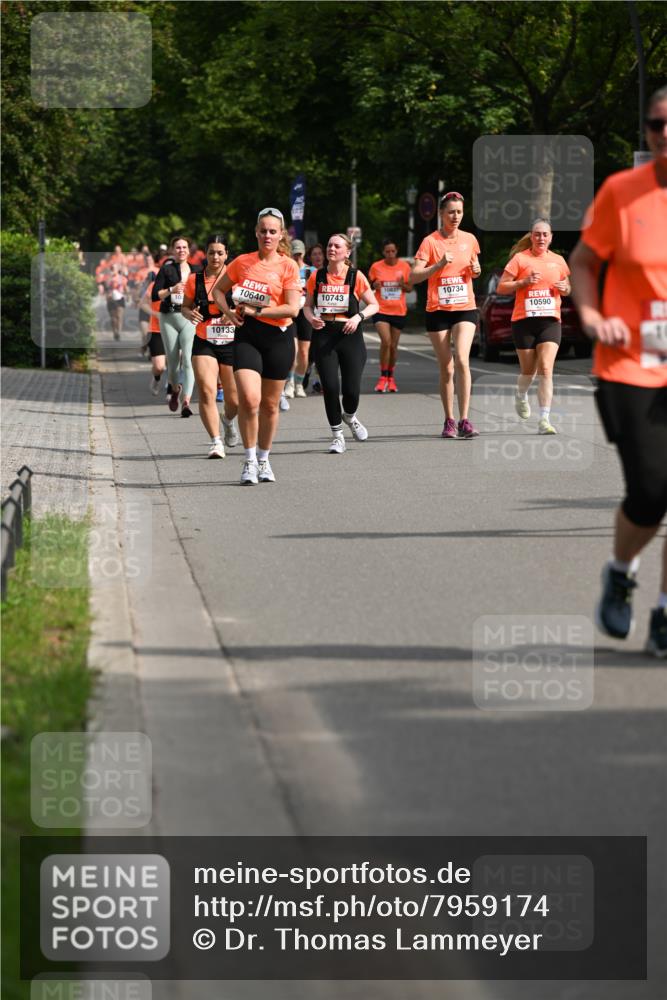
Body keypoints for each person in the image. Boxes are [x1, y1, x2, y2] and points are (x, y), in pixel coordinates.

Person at [570, 84, 667, 657]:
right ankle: (621, 569)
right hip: (630, 361)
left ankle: (663, 614)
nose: (665, 133)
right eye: (657, 124)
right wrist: (589, 313)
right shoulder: (621, 193)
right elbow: (584, 262)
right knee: (651, 489)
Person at [212, 207, 301, 485]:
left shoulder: (288, 265)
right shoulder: (242, 262)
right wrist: (229, 315)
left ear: (281, 234)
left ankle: (264, 460)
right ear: (256, 232)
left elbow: (293, 309)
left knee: (270, 406)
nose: (267, 235)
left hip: (278, 337)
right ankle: (249, 460)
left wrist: (258, 312)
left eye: (273, 231)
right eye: (263, 230)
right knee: (249, 400)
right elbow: (217, 290)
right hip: (247, 335)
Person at [411, 192, 481, 438]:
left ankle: (465, 420)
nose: (456, 216)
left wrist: (476, 270)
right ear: (441, 214)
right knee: (447, 368)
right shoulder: (430, 242)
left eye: (459, 212)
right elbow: (414, 276)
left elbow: (473, 268)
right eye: (451, 212)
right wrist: (438, 265)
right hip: (438, 310)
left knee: (462, 359)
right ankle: (449, 420)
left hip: (464, 307)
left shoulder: (470, 239)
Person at [303, 233, 379, 453]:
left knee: (351, 390)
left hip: (350, 335)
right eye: (329, 245)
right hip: (324, 334)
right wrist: (311, 318)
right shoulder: (316, 277)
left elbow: (374, 305)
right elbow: (307, 305)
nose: (331, 249)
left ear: (347, 252)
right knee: (330, 387)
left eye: (337, 246)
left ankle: (350, 416)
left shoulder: (356, 276)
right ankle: (337, 435)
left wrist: (358, 318)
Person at [497, 220, 570, 434]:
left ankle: (544, 420)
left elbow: (567, 287)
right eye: (537, 234)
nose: (541, 238)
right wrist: (523, 282)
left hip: (550, 321)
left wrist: (565, 288)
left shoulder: (558, 261)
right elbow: (502, 287)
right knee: (529, 371)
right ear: (531, 236)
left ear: (551, 237)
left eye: (545, 234)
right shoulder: (520, 259)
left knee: (546, 369)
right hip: (524, 322)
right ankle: (521, 395)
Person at [182, 235, 240, 459]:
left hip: (232, 340)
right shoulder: (194, 280)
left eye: (220, 253)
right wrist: (189, 313)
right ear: (205, 254)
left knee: (234, 400)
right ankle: (216, 442)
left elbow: (251, 304)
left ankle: (226, 420)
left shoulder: (237, 277)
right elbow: (185, 307)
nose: (215, 257)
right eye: (211, 252)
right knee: (207, 391)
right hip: (204, 339)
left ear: (227, 255)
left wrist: (235, 312)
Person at [152, 236, 199, 417]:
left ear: (189, 250)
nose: (181, 250)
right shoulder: (166, 270)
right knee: (172, 365)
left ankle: (186, 401)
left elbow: (204, 293)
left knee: (188, 360)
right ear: (173, 250)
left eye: (184, 247)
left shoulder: (197, 270)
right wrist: (172, 289)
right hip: (169, 317)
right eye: (178, 247)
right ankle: (174, 388)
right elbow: (156, 295)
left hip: (189, 318)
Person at [368, 239, 413, 392]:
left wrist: (402, 284)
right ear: (383, 252)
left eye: (392, 251)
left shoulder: (404, 267)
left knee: (393, 346)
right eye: (387, 251)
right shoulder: (376, 267)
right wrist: (374, 285)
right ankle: (382, 378)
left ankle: (390, 377)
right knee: (386, 342)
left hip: (398, 311)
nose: (390, 254)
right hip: (381, 310)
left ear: (396, 251)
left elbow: (409, 288)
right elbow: (370, 285)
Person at [283, 239, 314, 399]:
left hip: (305, 313)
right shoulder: (287, 268)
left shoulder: (311, 271)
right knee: (292, 350)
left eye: (299, 255)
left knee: (303, 352)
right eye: (294, 255)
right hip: (290, 312)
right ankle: (289, 382)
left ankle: (299, 383)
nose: (297, 258)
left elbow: (317, 291)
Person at [140, 277, 166, 393]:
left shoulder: (187, 283)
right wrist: (155, 314)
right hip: (157, 330)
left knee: (179, 360)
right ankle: (156, 379)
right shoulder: (155, 285)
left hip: (178, 330)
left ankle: (173, 388)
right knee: (159, 367)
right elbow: (143, 304)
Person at [105, 264, 128, 341]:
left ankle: (119, 332)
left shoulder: (122, 278)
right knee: (113, 318)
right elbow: (106, 288)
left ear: (117, 269)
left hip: (120, 298)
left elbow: (125, 288)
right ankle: (114, 331)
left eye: (114, 269)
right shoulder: (108, 278)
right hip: (111, 299)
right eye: (111, 269)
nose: (112, 270)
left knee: (119, 316)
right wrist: (110, 279)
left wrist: (127, 295)